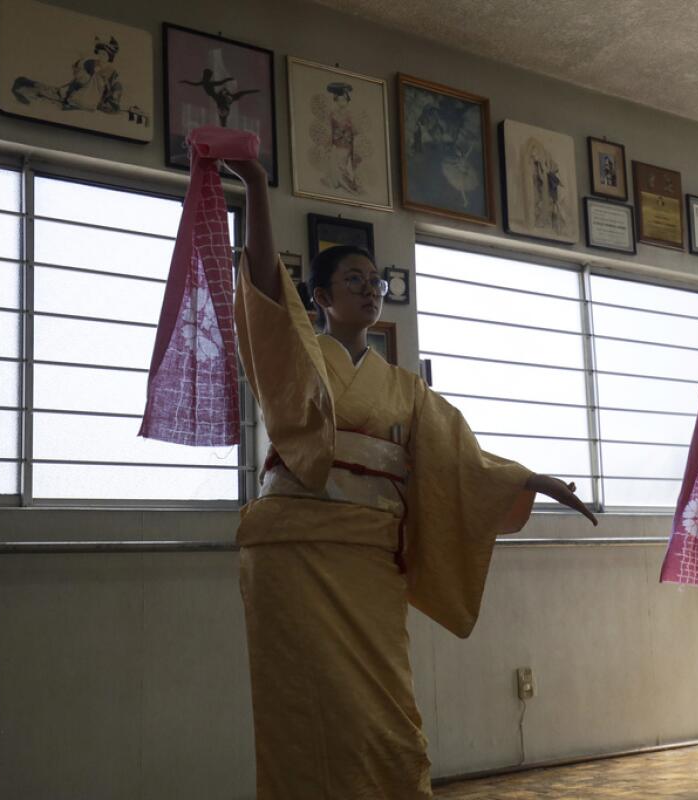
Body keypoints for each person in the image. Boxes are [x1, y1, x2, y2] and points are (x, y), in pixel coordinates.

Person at [223, 156, 597, 799]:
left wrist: (531, 480)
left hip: (368, 559)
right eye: (353, 279)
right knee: (300, 708)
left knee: (387, 716)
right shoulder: (296, 355)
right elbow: (260, 287)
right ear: (319, 296)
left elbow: (463, 461)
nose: (371, 289)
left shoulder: (406, 390)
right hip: (293, 548)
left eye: (377, 281)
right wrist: (257, 187)